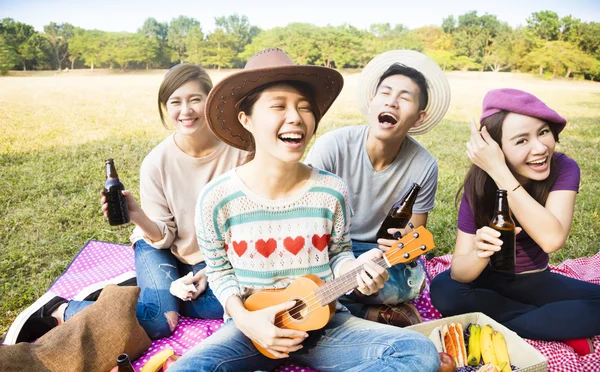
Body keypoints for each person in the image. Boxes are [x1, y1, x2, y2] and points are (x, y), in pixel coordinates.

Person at [169, 48, 440, 372]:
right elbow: (220, 271)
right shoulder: (216, 198)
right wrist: (247, 320)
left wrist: (356, 273)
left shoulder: (331, 191)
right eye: (278, 106)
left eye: (304, 107)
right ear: (247, 118)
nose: (296, 117)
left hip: (325, 324)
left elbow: (339, 254)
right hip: (250, 330)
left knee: (419, 353)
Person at [5, 64, 247, 344]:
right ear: (164, 107)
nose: (186, 111)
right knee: (160, 320)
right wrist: (137, 215)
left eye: (195, 99)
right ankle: (60, 308)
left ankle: (149, 291)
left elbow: (245, 228)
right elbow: (162, 236)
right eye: (175, 102)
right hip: (159, 245)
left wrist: (206, 273)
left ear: (211, 101)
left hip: (210, 258)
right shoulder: (156, 163)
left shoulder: (240, 153)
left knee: (234, 300)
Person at [430, 88, 600, 355]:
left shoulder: (563, 168)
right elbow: (460, 271)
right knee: (443, 289)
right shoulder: (478, 185)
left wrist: (500, 172)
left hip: (535, 280)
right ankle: (551, 323)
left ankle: (527, 323)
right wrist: (478, 253)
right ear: (496, 148)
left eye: (543, 132)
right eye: (521, 141)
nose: (540, 147)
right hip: (487, 281)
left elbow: (552, 239)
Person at [305, 50, 451, 327]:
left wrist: (403, 240)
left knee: (406, 286)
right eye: (385, 93)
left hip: (378, 255)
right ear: (372, 103)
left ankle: (335, 305)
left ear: (419, 118)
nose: (393, 102)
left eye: (405, 97)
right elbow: (306, 219)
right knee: (301, 274)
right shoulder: (333, 145)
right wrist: (343, 264)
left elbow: (415, 237)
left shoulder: (424, 165)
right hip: (329, 249)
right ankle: (366, 312)